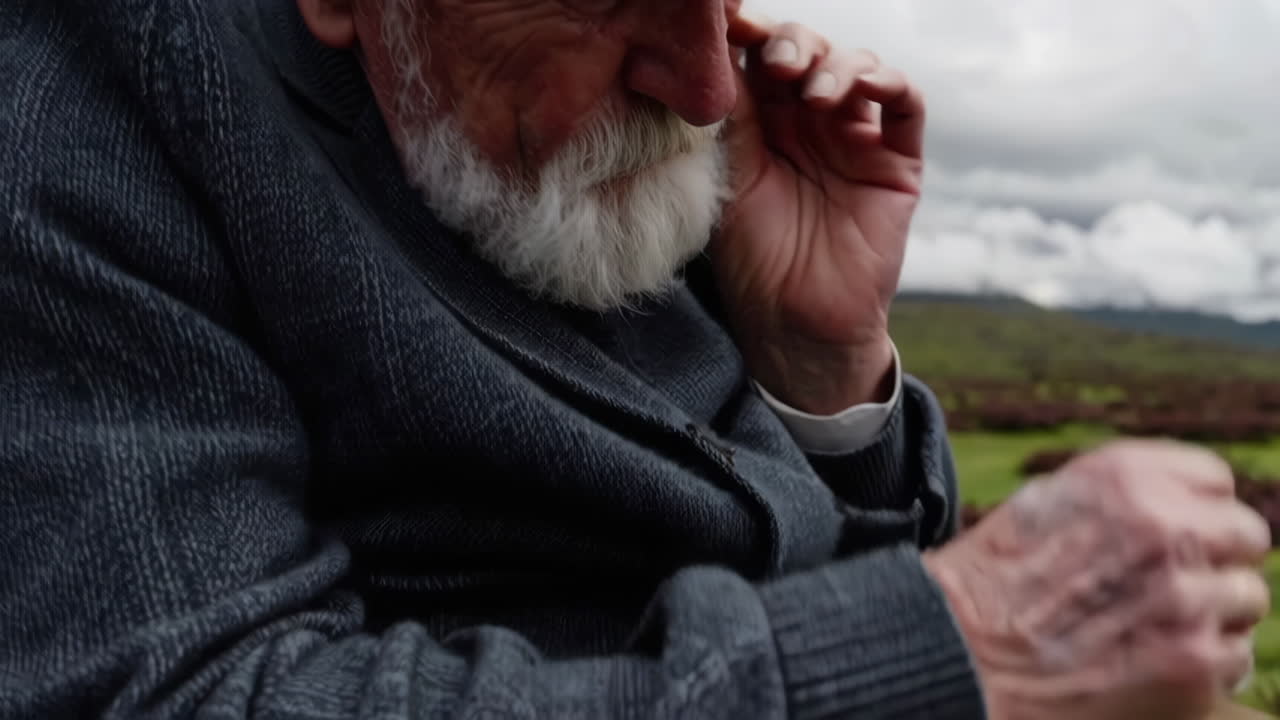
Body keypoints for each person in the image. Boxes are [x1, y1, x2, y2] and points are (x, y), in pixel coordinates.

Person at [0, 0, 1270, 718]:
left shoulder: (590, 150)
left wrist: (819, 375)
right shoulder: (87, 107)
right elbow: (184, 696)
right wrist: (962, 651)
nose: (710, 89)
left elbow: (804, 559)